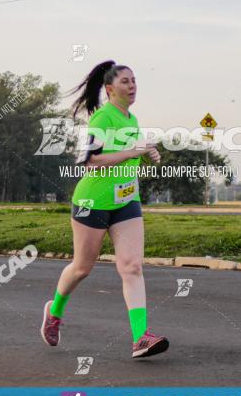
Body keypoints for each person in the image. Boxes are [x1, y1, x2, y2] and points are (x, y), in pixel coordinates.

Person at [41, 60, 169, 359]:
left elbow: (127, 155)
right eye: (126, 81)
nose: (133, 85)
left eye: (135, 80)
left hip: (125, 202)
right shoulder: (101, 119)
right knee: (82, 268)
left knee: (132, 266)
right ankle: (54, 312)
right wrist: (133, 152)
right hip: (92, 203)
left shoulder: (131, 119)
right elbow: (90, 160)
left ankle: (141, 338)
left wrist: (147, 152)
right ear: (110, 89)